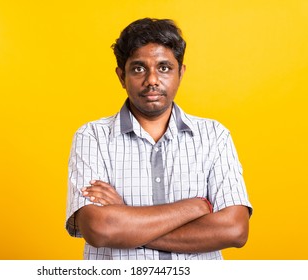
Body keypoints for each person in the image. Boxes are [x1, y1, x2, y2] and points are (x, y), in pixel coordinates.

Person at [66, 18, 252, 260]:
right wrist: (194, 207)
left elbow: (234, 230)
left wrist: (125, 219)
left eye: (164, 67)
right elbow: (100, 230)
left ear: (180, 73)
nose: (152, 80)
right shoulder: (92, 137)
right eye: (138, 68)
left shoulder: (214, 136)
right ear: (121, 76)